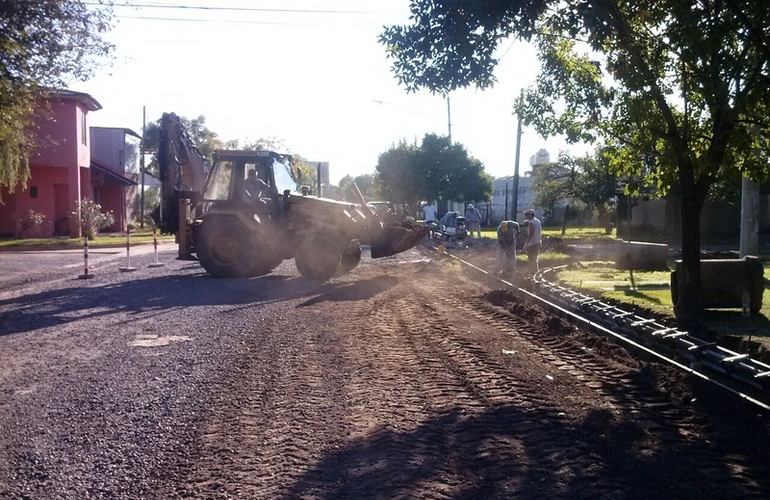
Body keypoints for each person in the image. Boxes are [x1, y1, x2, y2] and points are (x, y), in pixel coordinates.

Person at [522, 209, 542, 273]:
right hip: (538, 241)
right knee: (535, 258)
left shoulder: (531, 223)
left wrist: (526, 244)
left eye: (527, 215)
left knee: (531, 258)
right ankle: (536, 271)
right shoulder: (537, 221)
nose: (526, 216)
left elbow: (531, 234)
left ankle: (532, 271)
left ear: (530, 215)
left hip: (532, 243)